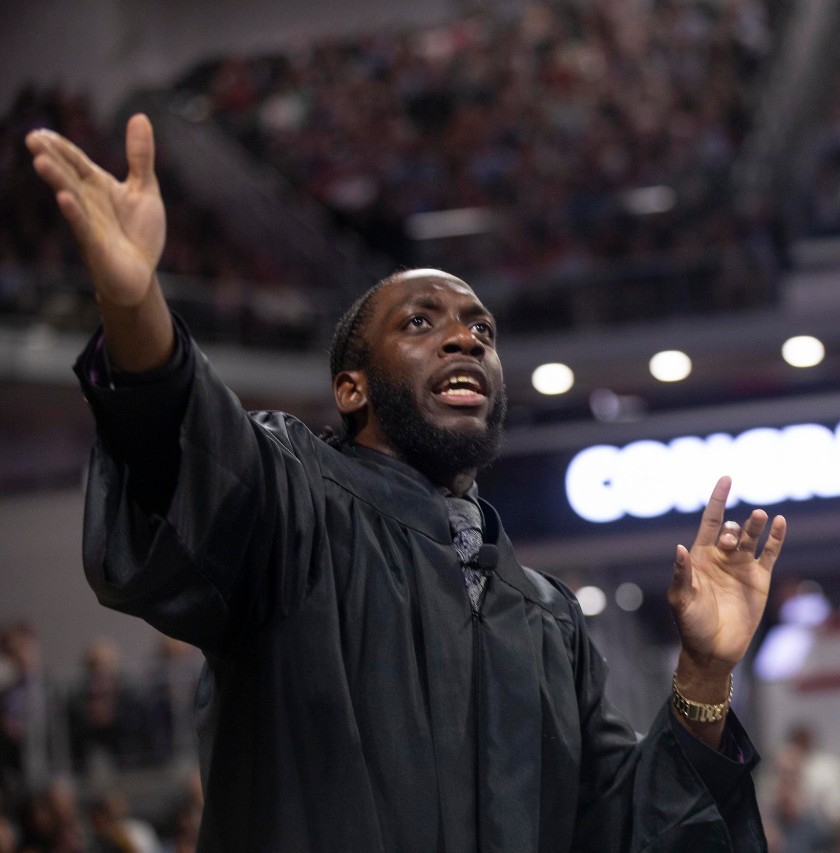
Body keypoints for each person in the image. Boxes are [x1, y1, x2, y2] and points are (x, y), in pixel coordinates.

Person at [25, 114, 788, 852]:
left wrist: (704, 673)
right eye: (421, 323)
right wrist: (135, 306)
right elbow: (183, 443)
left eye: (482, 329)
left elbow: (629, 832)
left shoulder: (547, 620)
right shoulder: (298, 508)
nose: (465, 338)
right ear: (351, 388)